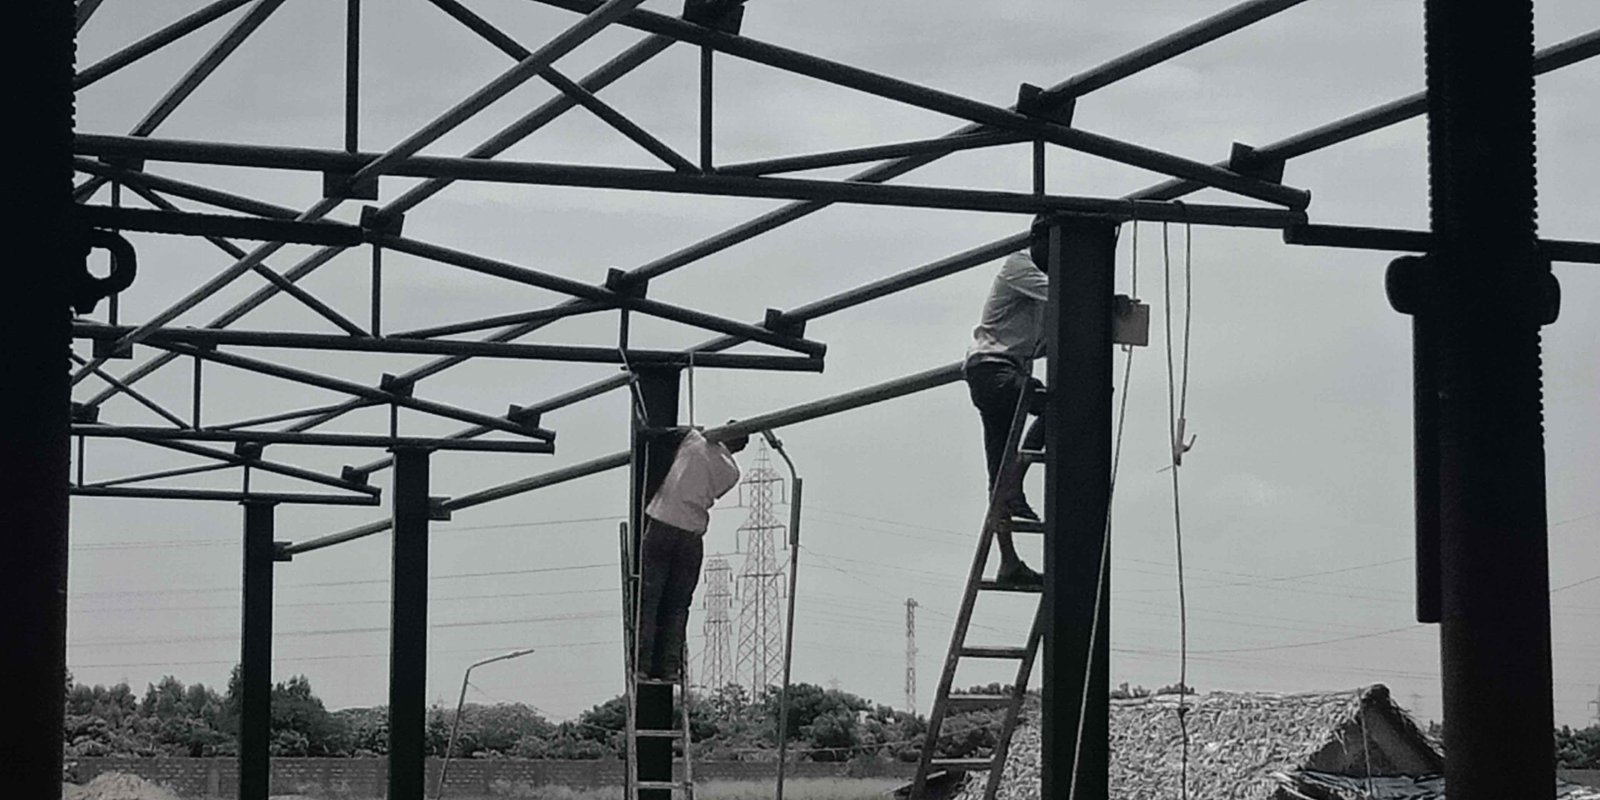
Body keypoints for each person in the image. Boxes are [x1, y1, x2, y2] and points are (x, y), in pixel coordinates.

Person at [963, 214, 1053, 588]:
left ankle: (1009, 561)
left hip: (999, 370)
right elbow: (1068, 294)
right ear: (1038, 242)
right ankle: (1016, 480)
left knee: (997, 473)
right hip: (993, 369)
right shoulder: (1020, 266)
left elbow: (1044, 338)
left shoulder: (1038, 295)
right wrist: (1106, 303)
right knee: (1055, 405)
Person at [635, 424, 749, 681]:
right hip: (692, 536)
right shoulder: (732, 473)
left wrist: (694, 429)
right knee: (677, 606)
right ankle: (669, 668)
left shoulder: (693, 439)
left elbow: (653, 434)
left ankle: (642, 665)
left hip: (663, 523)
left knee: (650, 599)